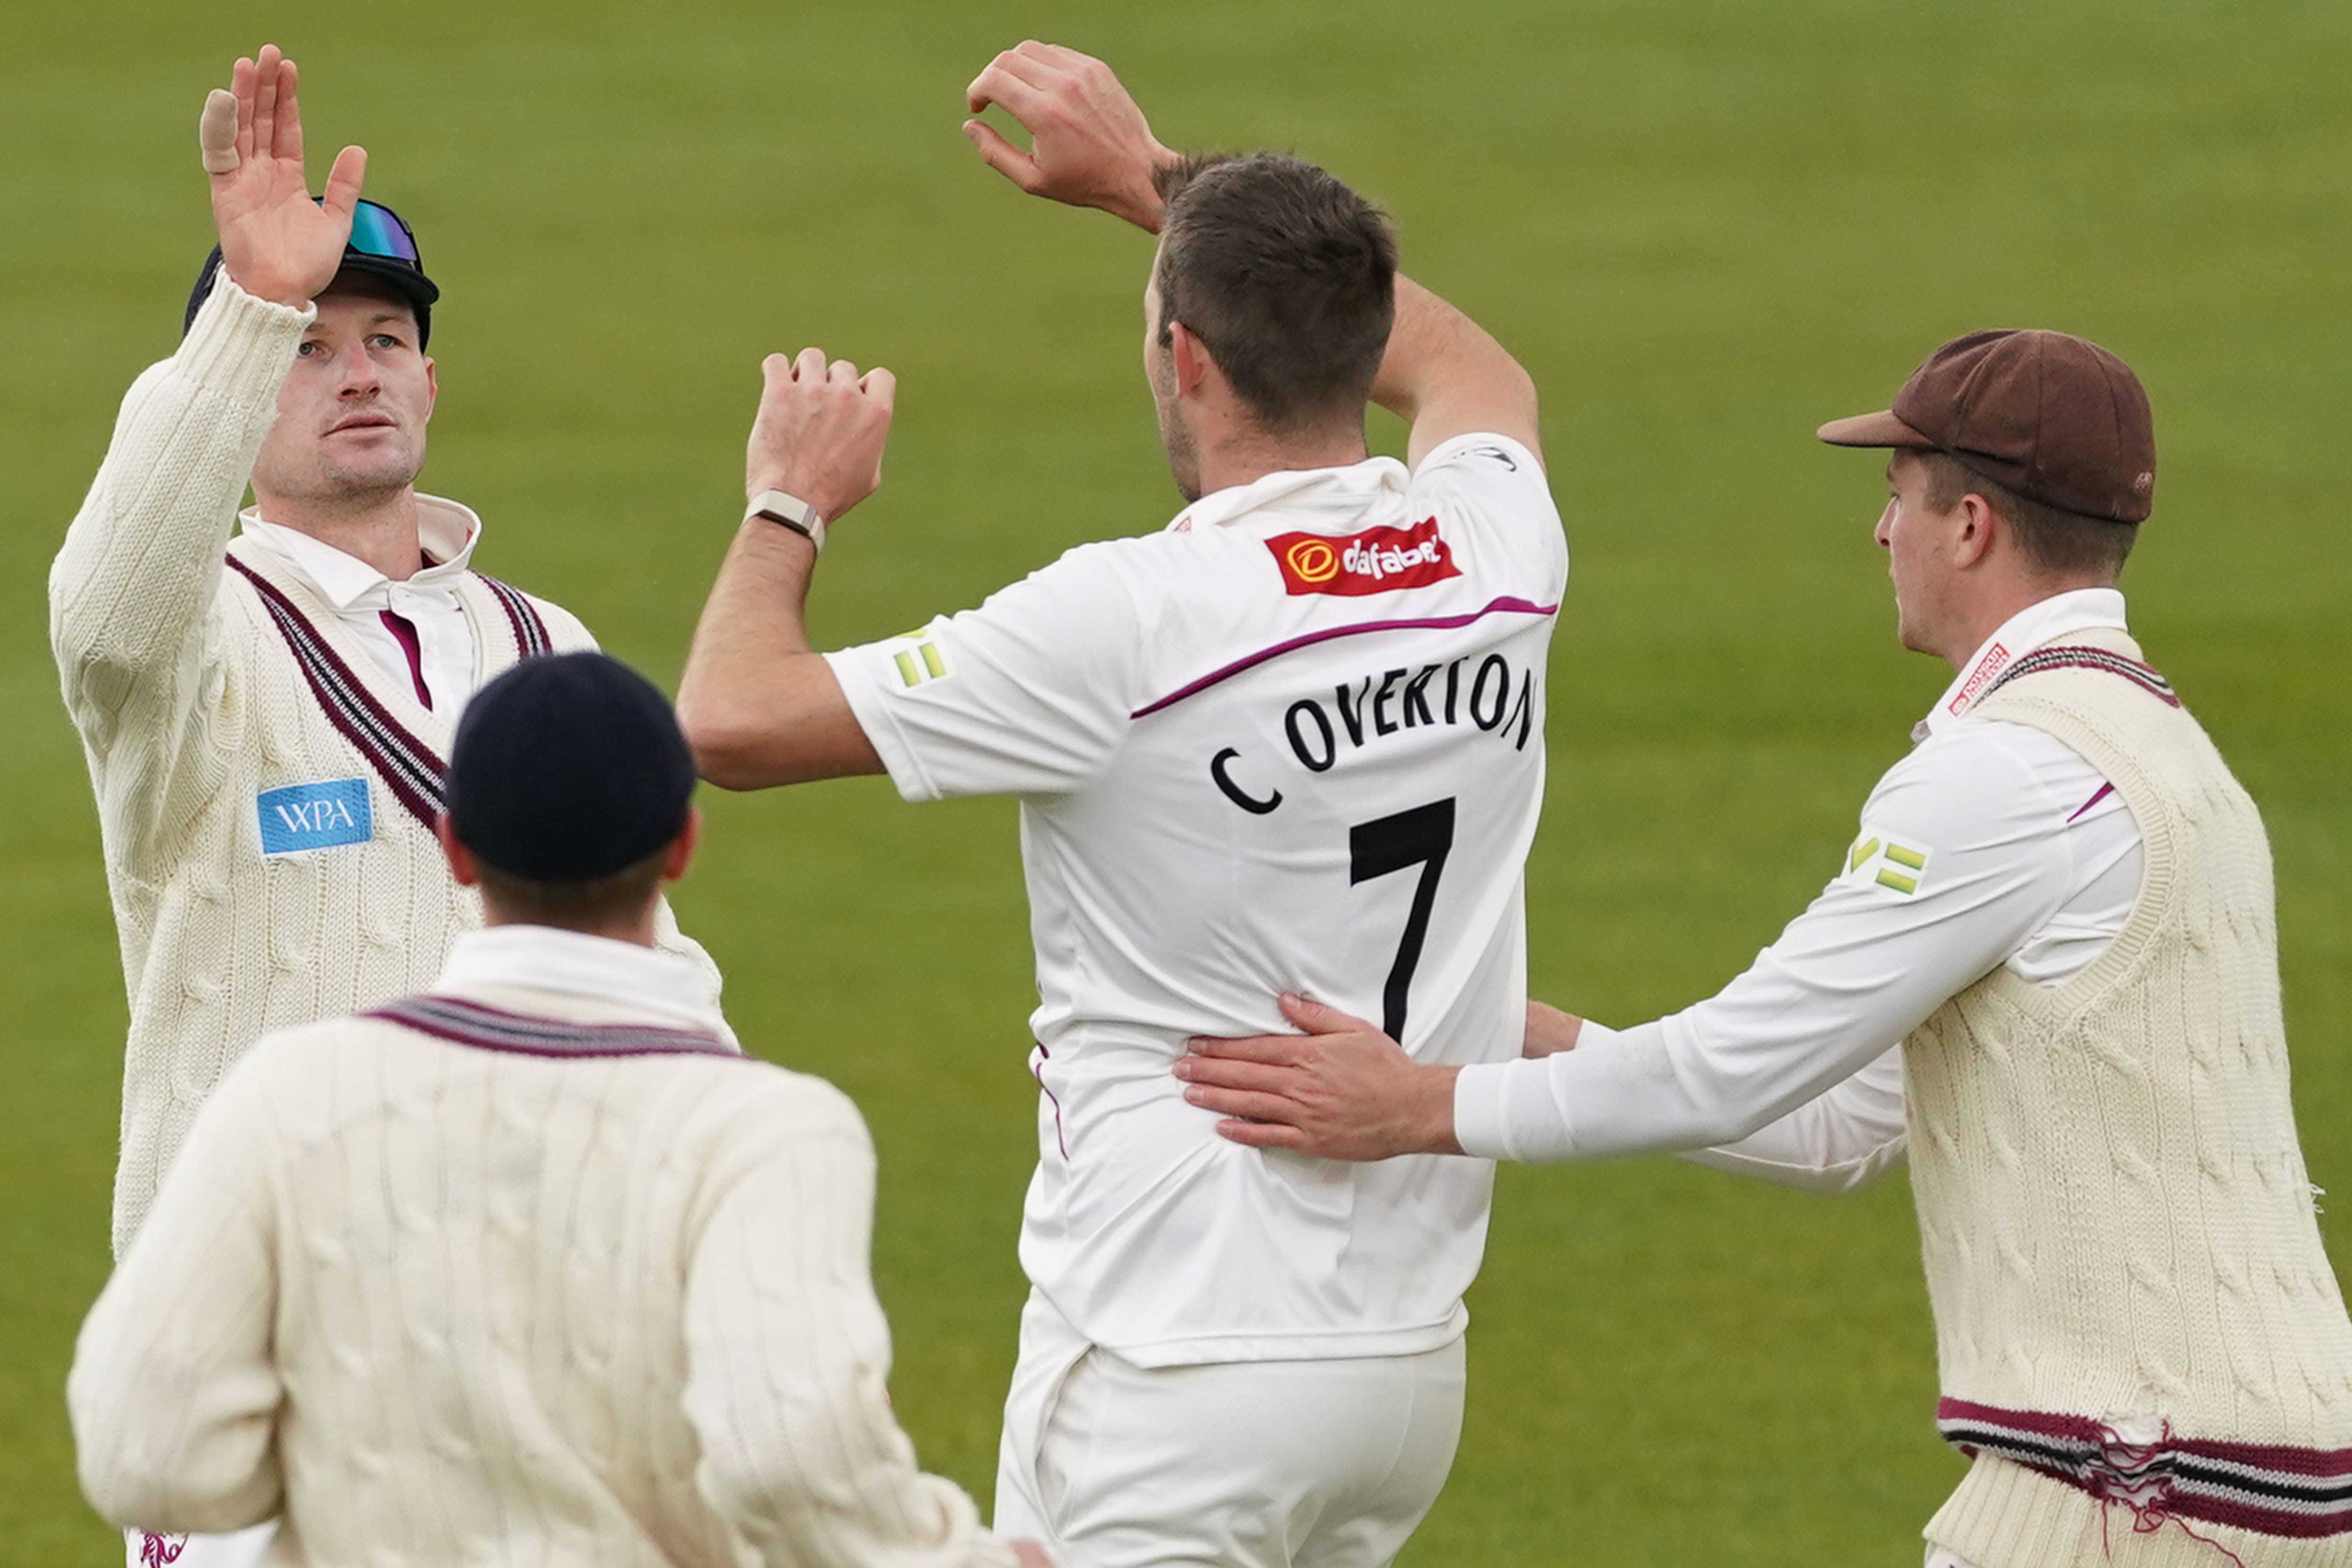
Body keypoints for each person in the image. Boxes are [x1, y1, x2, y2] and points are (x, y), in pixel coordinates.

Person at [1177, 329, 2352, 1567]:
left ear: (1969, 527)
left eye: (1894, 497)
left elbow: (1731, 1065)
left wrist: (1426, 1106)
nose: (1878, 534)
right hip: (2270, 1471)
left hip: (2127, 1493)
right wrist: (1500, 1018)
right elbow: (1836, 1126)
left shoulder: (2003, 774)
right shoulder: (2164, 747)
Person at [675, 40, 1569, 1568]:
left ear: (1187, 362)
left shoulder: (1128, 618)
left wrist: (789, 498)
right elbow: (1481, 366)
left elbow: (728, 716)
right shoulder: (1493, 545)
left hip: (1177, 1356)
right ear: (1354, 350)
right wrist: (1163, 190)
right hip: (1402, 1367)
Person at [50, 49, 725, 1567]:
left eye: (383, 338)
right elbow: (100, 613)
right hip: (255, 1384)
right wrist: (248, 308)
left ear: (429, 374)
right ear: (233, 399)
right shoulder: (195, 642)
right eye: (309, 348)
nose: (355, 370)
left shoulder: (547, 643)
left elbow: (652, 964)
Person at [67, 652, 1046, 1568]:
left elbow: (143, 1455)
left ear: (454, 848)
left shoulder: (289, 1094)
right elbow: (788, 1459)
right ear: (681, 847)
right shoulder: (769, 1132)